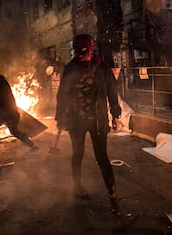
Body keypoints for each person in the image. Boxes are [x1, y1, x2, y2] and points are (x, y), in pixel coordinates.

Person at [55, 34, 122, 215]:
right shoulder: (70, 68)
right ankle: (77, 187)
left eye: (84, 52)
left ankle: (112, 195)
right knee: (77, 154)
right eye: (78, 52)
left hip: (98, 121)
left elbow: (112, 92)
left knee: (102, 158)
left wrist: (115, 116)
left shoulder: (101, 68)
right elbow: (62, 95)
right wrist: (60, 116)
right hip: (76, 121)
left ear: (91, 50)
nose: (81, 56)